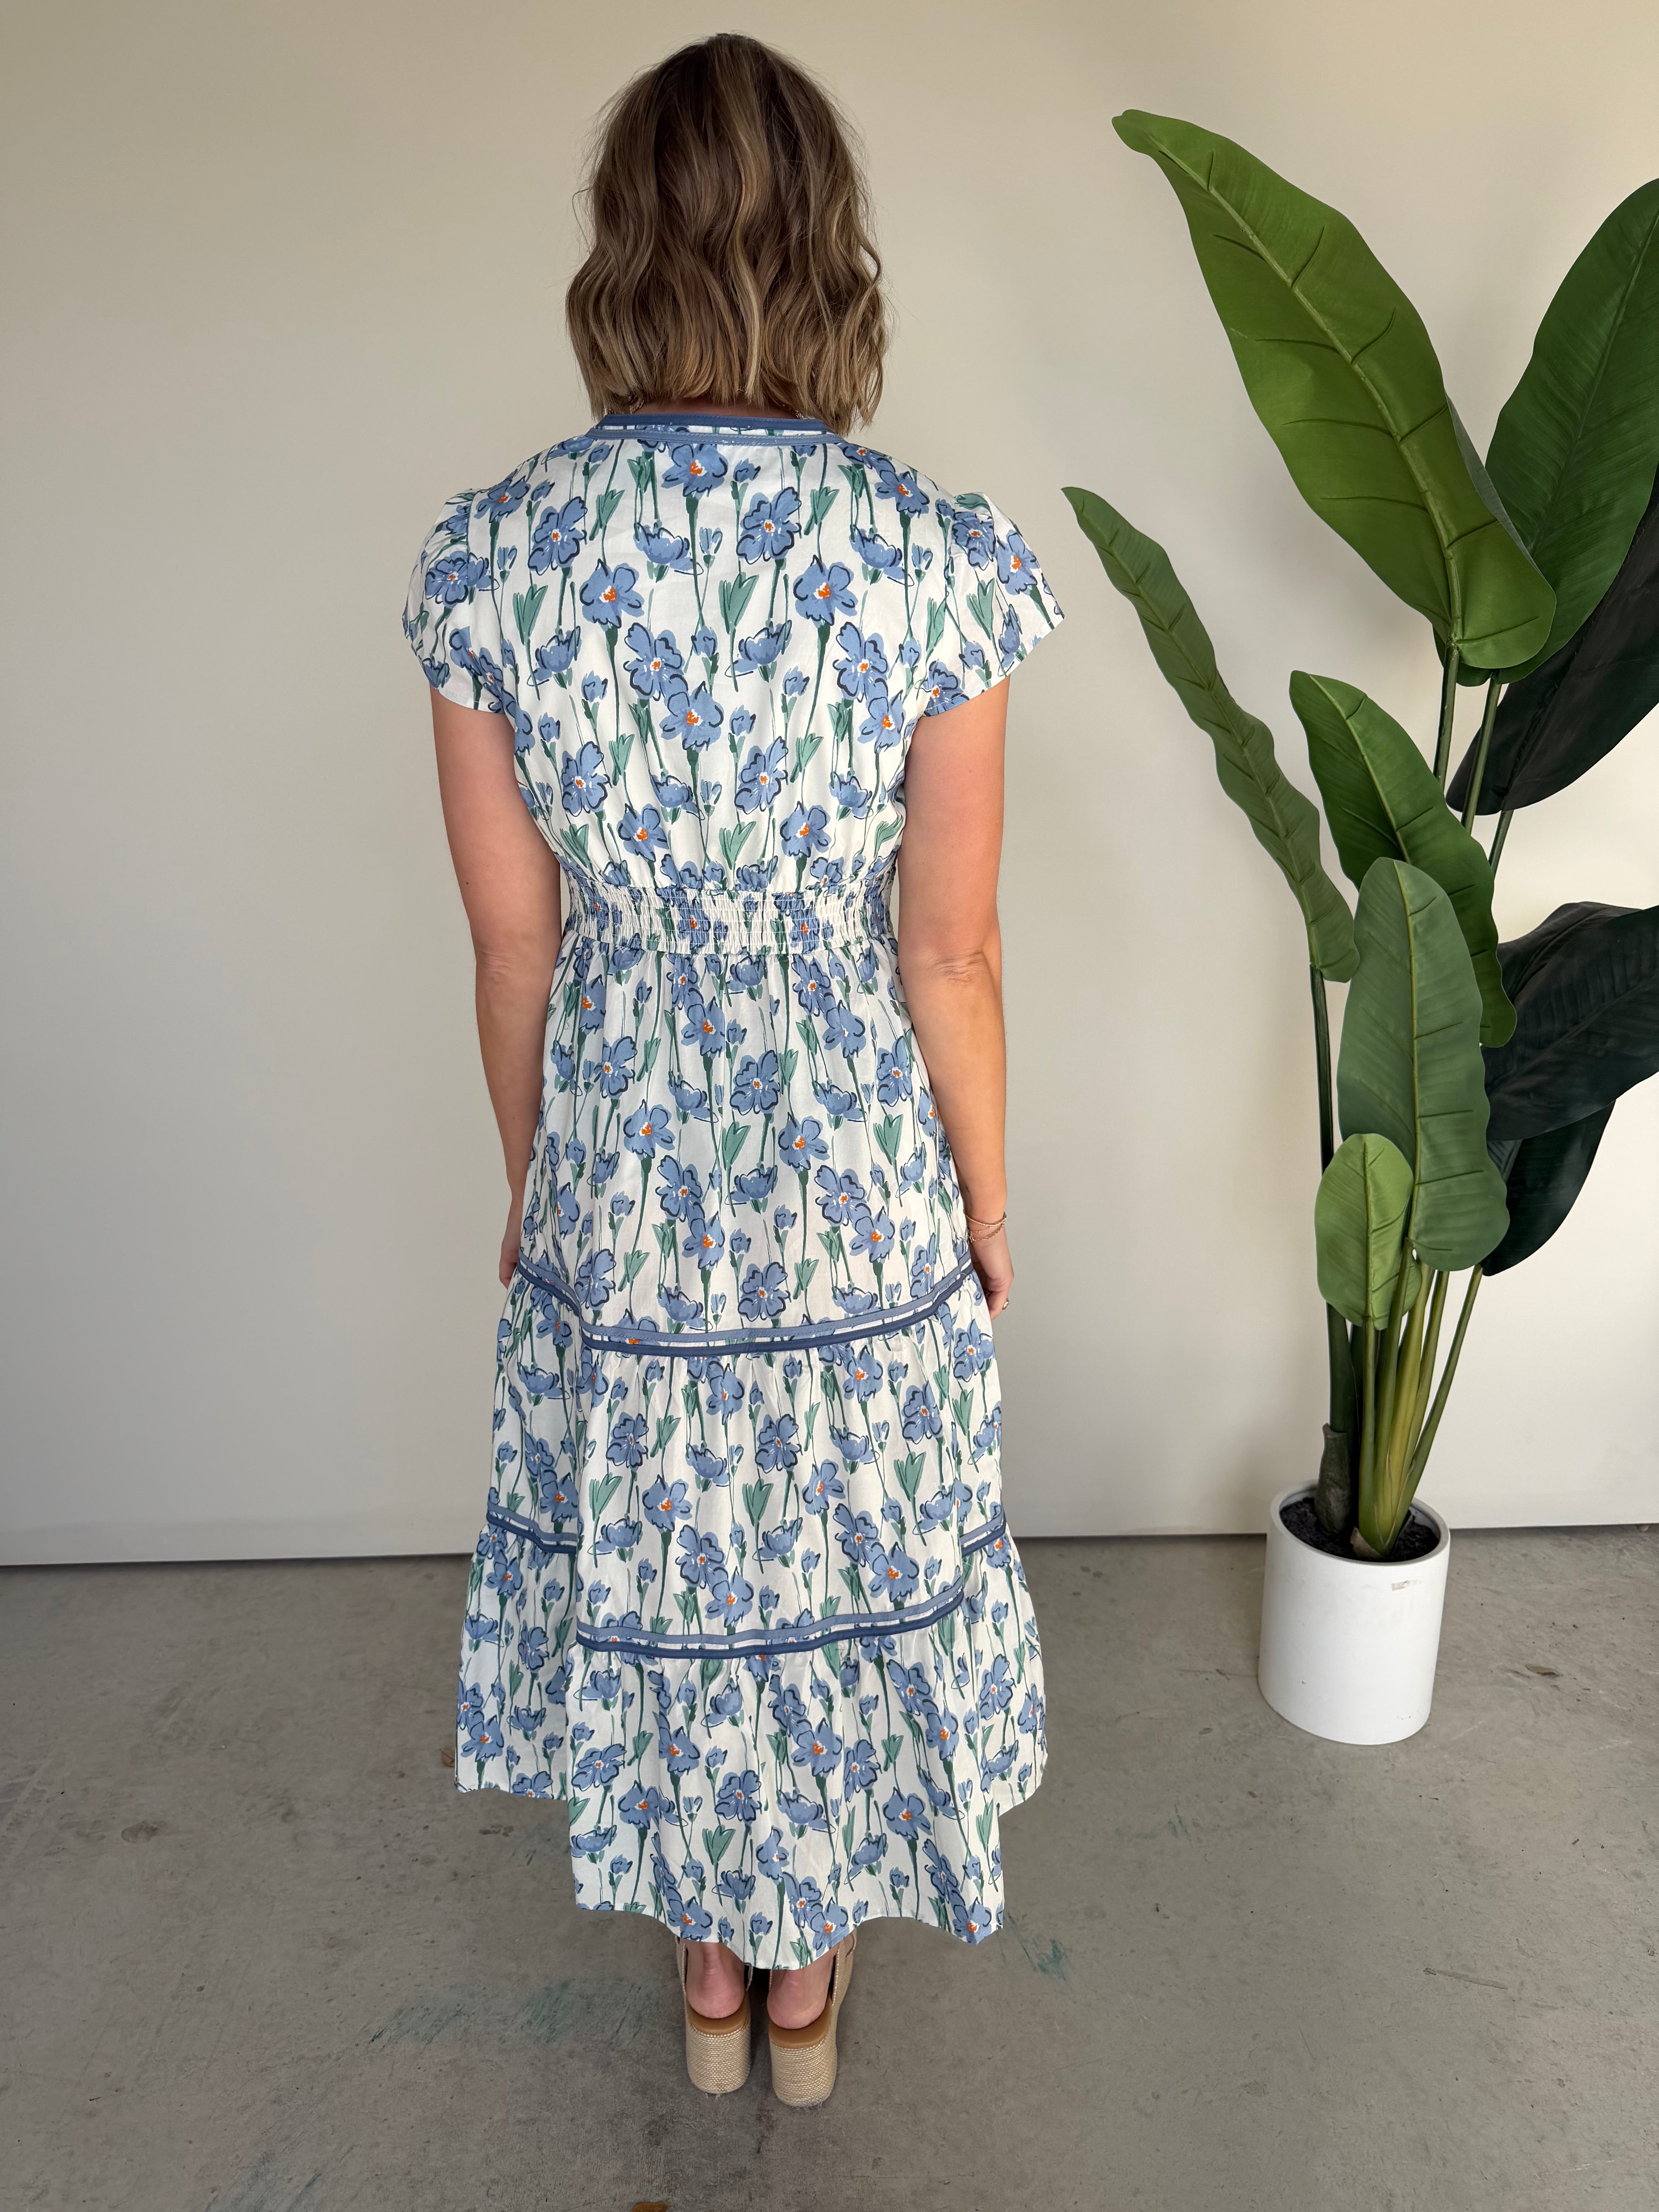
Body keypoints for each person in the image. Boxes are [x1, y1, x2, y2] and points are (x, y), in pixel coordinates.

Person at [402, 32, 1061, 2107]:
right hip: (851, 1156)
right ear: (831, 255)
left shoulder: (497, 556)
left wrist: (539, 1177)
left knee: (674, 1536)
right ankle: (807, 1986)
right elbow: (949, 948)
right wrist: (985, 1194)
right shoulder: (929, 558)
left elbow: (516, 945)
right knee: (835, 1545)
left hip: (626, 1154)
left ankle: (705, 1972)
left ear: (624, 251)